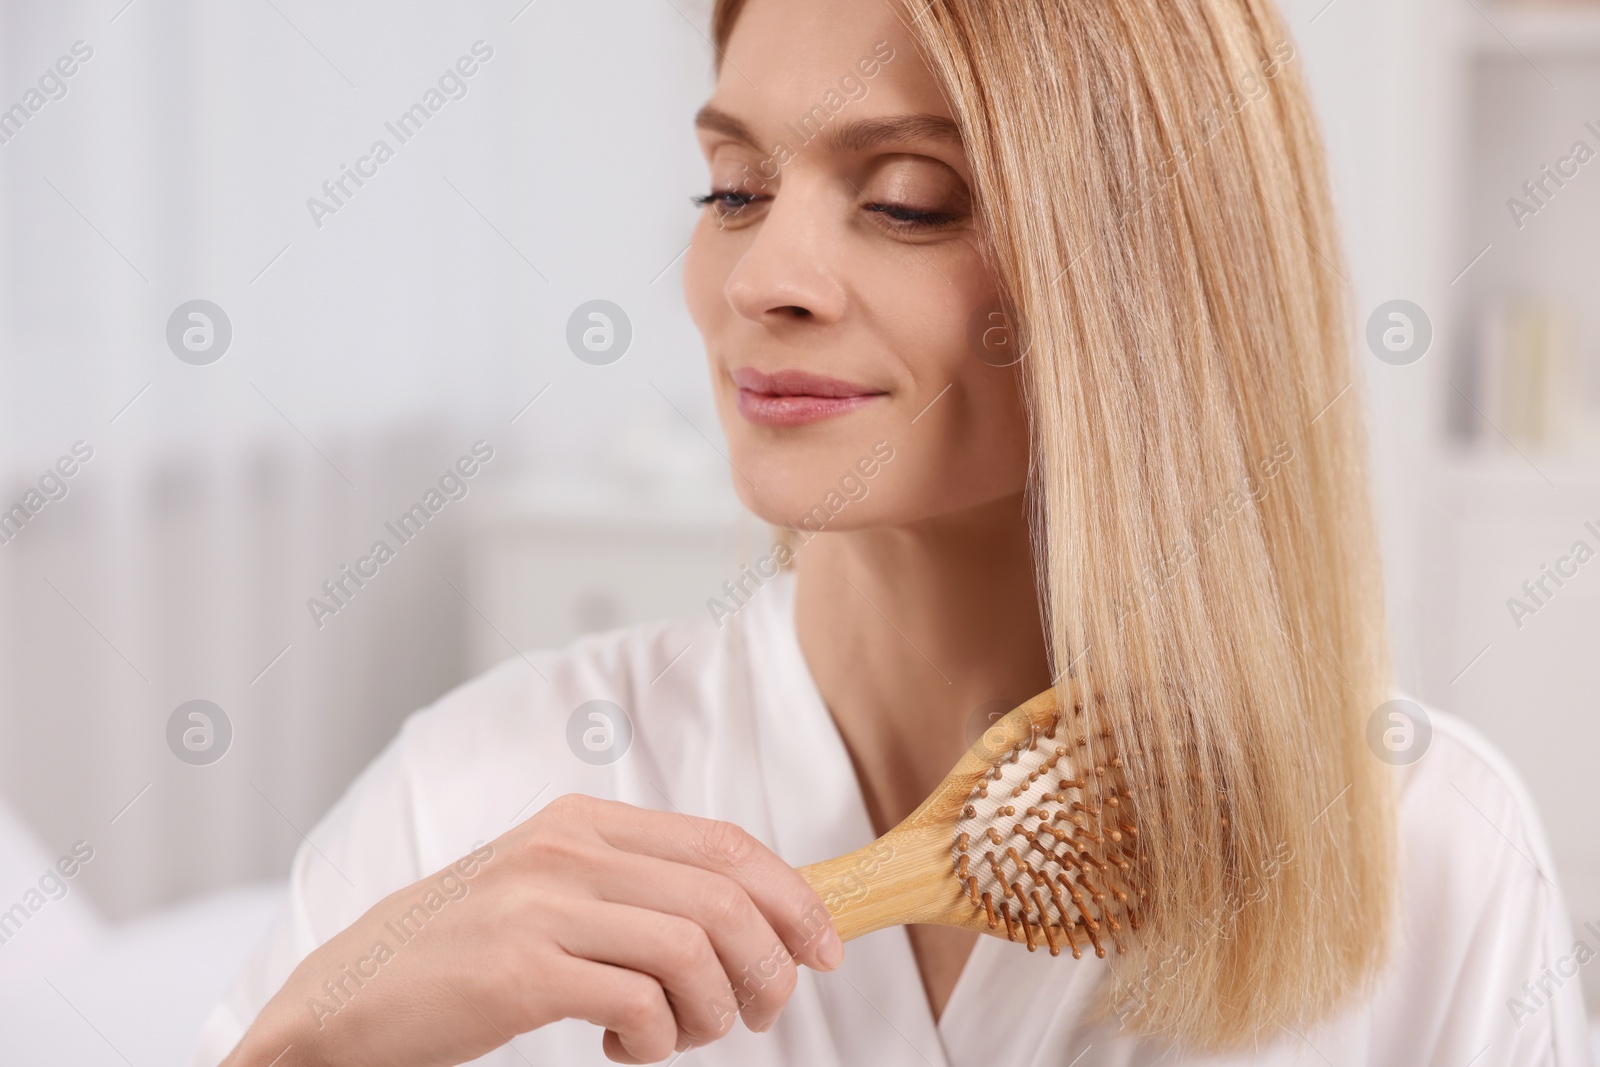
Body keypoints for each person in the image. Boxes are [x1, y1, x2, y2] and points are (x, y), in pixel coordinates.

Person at [199, 0, 1593, 1063]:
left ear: (1153, 280)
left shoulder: (1425, 851)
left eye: (907, 200)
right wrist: (309, 1046)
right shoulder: (477, 790)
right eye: (734, 189)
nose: (763, 277)